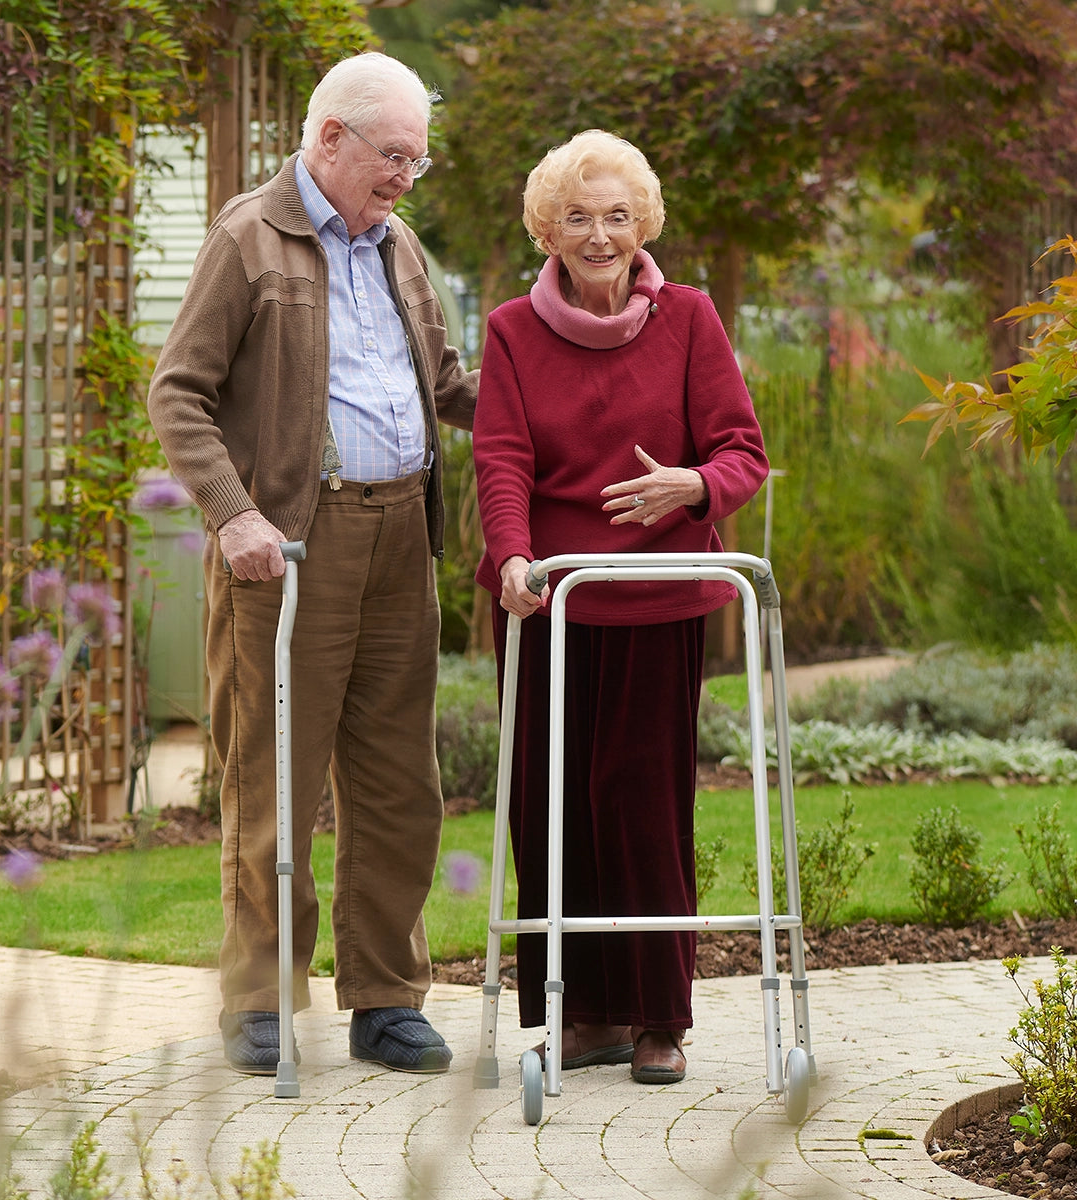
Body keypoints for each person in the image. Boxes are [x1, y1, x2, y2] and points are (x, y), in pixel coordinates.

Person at [147, 52, 477, 1076]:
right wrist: (233, 512)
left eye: (417, 162)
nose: (404, 179)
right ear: (330, 137)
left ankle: (385, 997)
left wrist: (574, 398)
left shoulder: (399, 245)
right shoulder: (250, 237)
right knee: (269, 777)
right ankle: (259, 997)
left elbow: (452, 383)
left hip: (398, 544)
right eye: (393, 156)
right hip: (285, 549)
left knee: (399, 784)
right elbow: (178, 394)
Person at [472, 130, 768, 1084]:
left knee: (639, 806)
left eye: (615, 216)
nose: (598, 235)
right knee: (547, 806)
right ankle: (579, 1013)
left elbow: (742, 453)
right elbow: (502, 456)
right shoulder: (513, 329)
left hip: (656, 598)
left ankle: (656, 1018)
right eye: (576, 217)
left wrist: (690, 486)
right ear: (547, 229)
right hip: (549, 596)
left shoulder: (688, 319)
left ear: (642, 224)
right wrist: (511, 554)